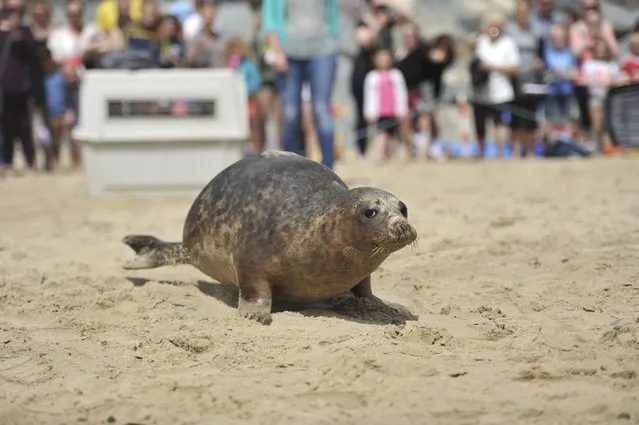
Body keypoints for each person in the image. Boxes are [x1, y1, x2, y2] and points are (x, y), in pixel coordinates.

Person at [262, 0, 340, 169]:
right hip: (289, 51)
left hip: (323, 50)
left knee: (321, 110)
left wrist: (334, 36)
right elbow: (270, 19)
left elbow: (332, 11)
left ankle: (329, 169)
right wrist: (277, 50)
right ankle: (292, 169)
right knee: (290, 113)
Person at [350, 0, 396, 157]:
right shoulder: (364, 19)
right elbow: (365, 42)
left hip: (386, 74)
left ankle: (386, 151)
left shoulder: (390, 17)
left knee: (388, 112)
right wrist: (377, 25)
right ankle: (362, 150)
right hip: (364, 74)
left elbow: (408, 14)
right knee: (363, 113)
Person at [472, 13, 521, 159]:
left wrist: (491, 67)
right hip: (481, 91)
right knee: (480, 124)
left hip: (501, 92)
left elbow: (514, 68)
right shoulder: (481, 41)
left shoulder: (508, 43)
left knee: (499, 123)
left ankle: (500, 154)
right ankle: (481, 153)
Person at [570, 0, 618, 143]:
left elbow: (615, 51)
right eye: (587, 8)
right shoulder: (576, 28)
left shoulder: (605, 26)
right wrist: (588, 35)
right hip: (584, 80)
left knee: (606, 117)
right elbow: (575, 53)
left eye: (594, 8)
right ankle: (589, 146)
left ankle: (606, 146)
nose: (591, 11)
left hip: (604, 80)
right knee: (586, 116)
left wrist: (601, 34)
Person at [0, 3, 40, 175]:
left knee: (24, 126)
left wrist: (15, 32)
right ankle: (6, 163)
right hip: (4, 88)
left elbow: (32, 49)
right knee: (6, 127)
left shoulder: (25, 31)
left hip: (22, 87)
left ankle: (30, 162)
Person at [506, 0, 546, 159]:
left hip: (532, 78)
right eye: (520, 11)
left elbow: (541, 52)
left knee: (531, 115)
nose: (523, 14)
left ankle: (530, 151)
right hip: (514, 77)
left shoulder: (537, 30)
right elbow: (494, 33)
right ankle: (515, 152)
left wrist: (540, 62)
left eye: (525, 11)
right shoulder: (508, 30)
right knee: (515, 115)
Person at [363, 47, 408, 163]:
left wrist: (402, 110)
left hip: (393, 110)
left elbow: (402, 93)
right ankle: (380, 155)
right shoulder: (371, 76)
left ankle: (392, 156)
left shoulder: (397, 75)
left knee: (393, 135)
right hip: (379, 111)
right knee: (381, 133)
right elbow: (368, 96)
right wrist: (369, 112)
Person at [223, 36, 264, 154]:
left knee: (252, 126)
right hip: (232, 105)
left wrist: (243, 91)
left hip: (248, 103)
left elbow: (256, 82)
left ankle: (256, 149)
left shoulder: (248, 66)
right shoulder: (228, 66)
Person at [582, 38, 620, 154]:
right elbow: (586, 79)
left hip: (609, 97)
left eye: (603, 49)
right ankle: (594, 145)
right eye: (599, 49)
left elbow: (617, 79)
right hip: (595, 97)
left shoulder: (612, 65)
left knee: (606, 124)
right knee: (596, 123)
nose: (601, 51)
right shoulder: (589, 64)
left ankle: (605, 146)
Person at [250, 11, 280, 150]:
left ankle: (275, 145)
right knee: (264, 117)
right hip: (264, 82)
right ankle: (265, 147)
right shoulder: (257, 39)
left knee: (278, 117)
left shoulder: (277, 37)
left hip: (278, 81)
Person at [544, 24, 578, 140]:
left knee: (568, 119)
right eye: (555, 38)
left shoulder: (569, 55)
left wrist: (559, 73)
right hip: (552, 92)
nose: (558, 41)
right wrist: (565, 74)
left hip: (567, 91)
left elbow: (573, 74)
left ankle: (567, 143)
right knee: (551, 119)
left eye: (560, 38)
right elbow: (550, 70)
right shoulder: (548, 54)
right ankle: (552, 145)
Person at [186, 0, 222, 68]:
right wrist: (198, 49)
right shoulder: (195, 37)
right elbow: (189, 60)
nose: (209, 16)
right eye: (207, 12)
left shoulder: (220, 37)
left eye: (212, 13)